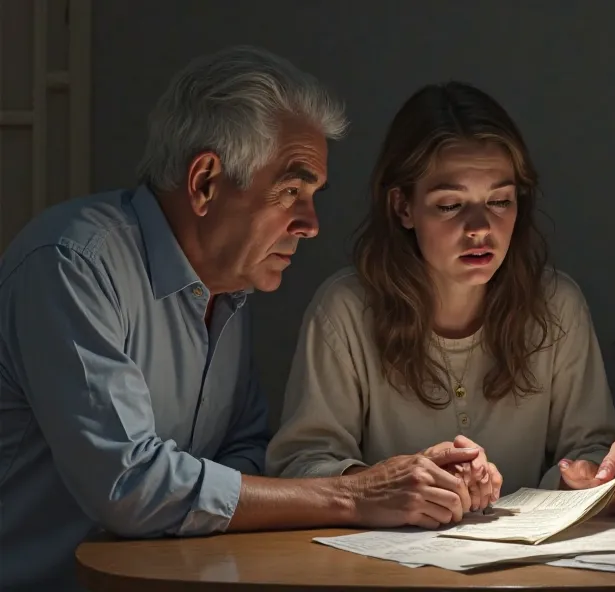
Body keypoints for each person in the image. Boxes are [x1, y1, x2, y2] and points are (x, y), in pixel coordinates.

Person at [0, 46, 480, 592]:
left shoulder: (227, 287)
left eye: (314, 195)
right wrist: (355, 495)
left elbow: (247, 452)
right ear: (205, 181)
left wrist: (392, 486)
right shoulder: (72, 263)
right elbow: (129, 484)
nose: (311, 224)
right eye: (292, 191)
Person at [267, 80, 615, 518]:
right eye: (451, 205)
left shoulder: (556, 304)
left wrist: (584, 475)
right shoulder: (345, 309)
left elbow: (590, 446)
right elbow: (301, 463)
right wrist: (387, 486)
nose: (480, 228)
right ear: (403, 207)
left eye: (499, 201)